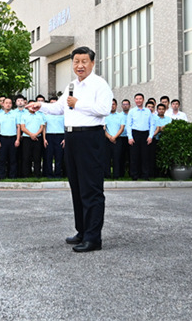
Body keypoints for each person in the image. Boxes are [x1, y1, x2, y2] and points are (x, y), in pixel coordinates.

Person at [27, 46, 113, 253]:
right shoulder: (72, 85)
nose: (79, 65)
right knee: (77, 186)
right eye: (76, 62)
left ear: (92, 63)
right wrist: (42, 106)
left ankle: (94, 238)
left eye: (84, 61)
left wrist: (78, 103)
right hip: (72, 138)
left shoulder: (100, 85)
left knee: (91, 188)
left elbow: (104, 110)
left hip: (90, 137)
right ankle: (82, 231)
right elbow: (61, 108)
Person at [127, 93, 155, 181]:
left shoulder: (148, 111)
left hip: (145, 134)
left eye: (140, 99)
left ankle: (145, 175)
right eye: (137, 99)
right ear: (135, 100)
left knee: (145, 156)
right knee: (134, 156)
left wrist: (150, 136)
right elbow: (128, 125)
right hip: (135, 134)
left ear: (143, 100)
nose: (138, 100)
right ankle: (134, 175)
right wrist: (130, 137)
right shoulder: (132, 111)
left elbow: (152, 124)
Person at [0, 97, 19, 180]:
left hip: (12, 138)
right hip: (2, 138)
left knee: (13, 158)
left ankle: (12, 175)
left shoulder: (15, 114)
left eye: (10, 103)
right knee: (2, 158)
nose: (8, 104)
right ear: (3, 104)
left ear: (12, 105)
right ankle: (1, 176)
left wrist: (17, 139)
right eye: (6, 103)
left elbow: (18, 127)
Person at [43, 96, 65, 178]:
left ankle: (58, 174)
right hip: (49, 136)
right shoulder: (46, 115)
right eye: (51, 103)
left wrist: (65, 138)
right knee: (49, 156)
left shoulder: (63, 115)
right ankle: (49, 174)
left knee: (59, 156)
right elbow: (44, 127)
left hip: (60, 135)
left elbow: (66, 127)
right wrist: (44, 139)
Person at [103, 99, 126, 179]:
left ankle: (117, 175)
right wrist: (110, 137)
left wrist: (114, 137)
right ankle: (107, 175)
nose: (112, 106)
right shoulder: (105, 116)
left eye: (113, 104)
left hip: (117, 139)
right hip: (107, 139)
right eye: (110, 104)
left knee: (117, 157)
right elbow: (104, 128)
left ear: (116, 106)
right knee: (107, 158)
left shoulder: (121, 116)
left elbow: (122, 128)